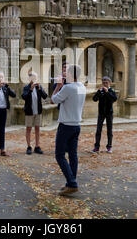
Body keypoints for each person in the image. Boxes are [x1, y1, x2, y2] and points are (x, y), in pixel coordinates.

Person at [51, 65, 86, 196]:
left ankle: (72, 183)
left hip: (65, 125)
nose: (64, 73)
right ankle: (70, 183)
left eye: (66, 72)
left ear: (71, 74)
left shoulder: (67, 88)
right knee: (73, 155)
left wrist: (58, 86)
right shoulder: (82, 87)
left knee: (59, 155)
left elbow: (53, 100)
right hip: (76, 125)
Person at [21, 72, 48, 155]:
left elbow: (45, 96)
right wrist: (30, 89)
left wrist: (40, 88)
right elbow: (24, 97)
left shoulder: (39, 87)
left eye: (36, 78)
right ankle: (29, 146)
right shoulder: (26, 87)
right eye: (33, 78)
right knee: (28, 128)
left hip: (38, 111)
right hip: (29, 111)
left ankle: (37, 146)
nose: (35, 80)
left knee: (37, 128)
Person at [91, 76, 118, 154]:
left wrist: (107, 92)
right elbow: (94, 99)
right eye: (103, 82)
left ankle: (109, 147)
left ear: (109, 83)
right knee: (98, 130)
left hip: (109, 113)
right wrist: (98, 92)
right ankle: (96, 147)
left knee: (109, 130)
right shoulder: (100, 91)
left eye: (106, 82)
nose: (105, 84)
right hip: (101, 113)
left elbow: (114, 99)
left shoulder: (111, 91)